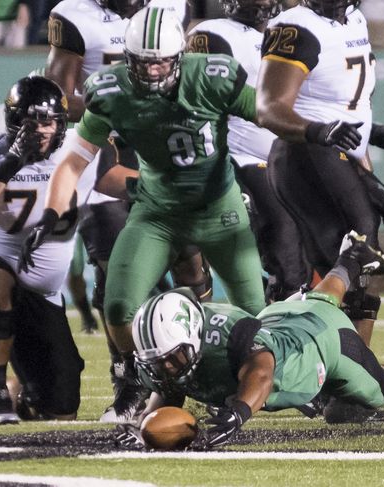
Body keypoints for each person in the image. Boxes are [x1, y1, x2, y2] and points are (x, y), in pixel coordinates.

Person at [21, 6, 267, 424]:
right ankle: (142, 384)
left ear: (180, 57)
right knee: (117, 306)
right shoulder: (110, 90)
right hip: (157, 212)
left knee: (255, 316)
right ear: (127, 59)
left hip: (218, 208)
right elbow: (71, 163)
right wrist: (51, 212)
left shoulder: (211, 75)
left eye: (160, 63)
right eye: (142, 63)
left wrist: (305, 149)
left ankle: (235, 388)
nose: (152, 73)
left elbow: (269, 116)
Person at [45, 0, 214, 424]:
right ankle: (130, 382)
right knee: (114, 272)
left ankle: (209, 370)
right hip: (106, 150)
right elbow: (59, 96)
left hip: (166, 146)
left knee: (190, 263)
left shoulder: (174, 7)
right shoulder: (75, 13)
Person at [121, 231, 384, 449]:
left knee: (377, 389)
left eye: (170, 358)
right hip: (281, 319)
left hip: (319, 343)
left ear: (194, 336)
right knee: (317, 300)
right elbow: (168, 390)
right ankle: (351, 260)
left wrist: (239, 412)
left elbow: (262, 369)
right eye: (157, 360)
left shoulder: (226, 336)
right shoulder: (167, 352)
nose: (164, 367)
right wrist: (145, 427)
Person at [0, 76, 137, 424]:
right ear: (12, 121)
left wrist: (182, 186)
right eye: (31, 121)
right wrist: (12, 162)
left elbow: (128, 183)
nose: (41, 130)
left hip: (42, 297)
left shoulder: (81, 154)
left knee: (61, 407)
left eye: (48, 121)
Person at [255, 0, 384, 346]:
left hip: (337, 159)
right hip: (305, 157)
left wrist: (367, 175)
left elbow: (349, 110)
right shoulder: (297, 26)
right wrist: (319, 132)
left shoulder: (354, 20)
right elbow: (269, 108)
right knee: (348, 264)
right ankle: (320, 371)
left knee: (362, 270)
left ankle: (353, 373)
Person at [186, 0, 311, 302]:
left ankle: (279, 316)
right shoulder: (213, 33)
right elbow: (197, 103)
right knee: (278, 232)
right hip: (236, 157)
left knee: (297, 262)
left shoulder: (288, 34)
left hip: (282, 160)